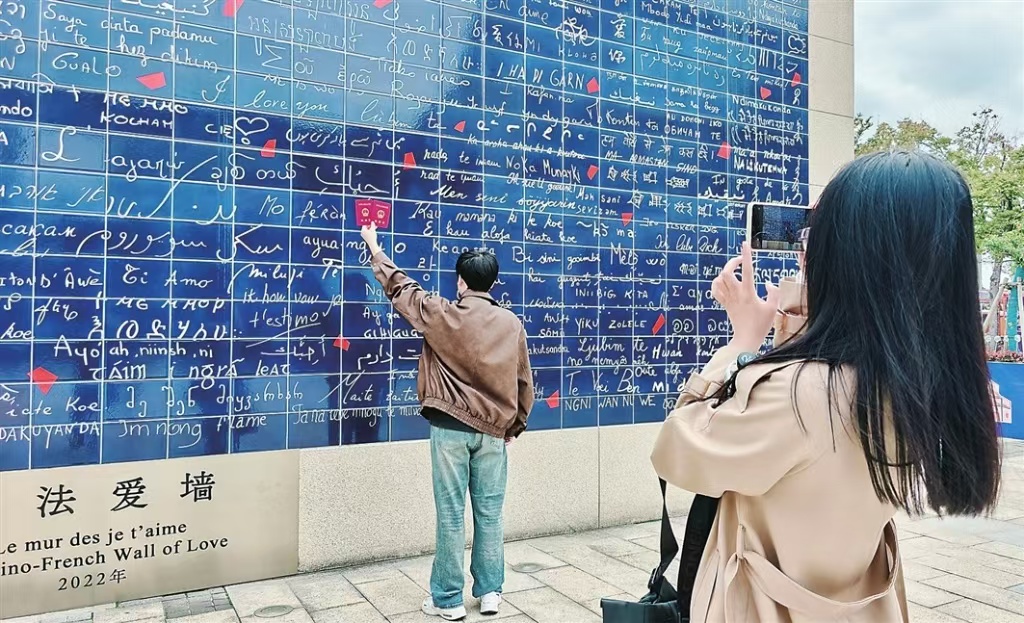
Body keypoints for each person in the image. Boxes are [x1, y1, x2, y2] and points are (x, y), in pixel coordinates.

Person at [652, 150, 1002, 623]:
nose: (807, 243)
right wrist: (803, 308)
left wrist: (742, 341)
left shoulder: (797, 396)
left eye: (821, 231)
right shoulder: (920, 380)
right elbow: (839, 353)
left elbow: (677, 448)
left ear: (848, 254)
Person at [360, 223, 534, 621]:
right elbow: (524, 382)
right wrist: (514, 426)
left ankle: (449, 600)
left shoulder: (441, 314)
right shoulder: (511, 323)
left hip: (449, 430)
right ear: (493, 283)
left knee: (452, 514)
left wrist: (374, 246)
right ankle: (490, 594)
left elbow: (401, 289)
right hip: (493, 434)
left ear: (460, 282)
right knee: (490, 514)